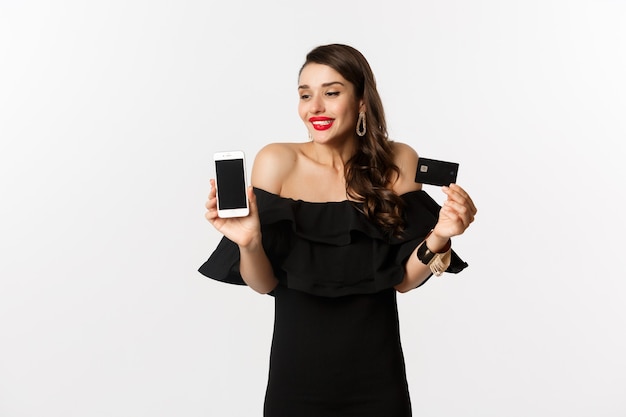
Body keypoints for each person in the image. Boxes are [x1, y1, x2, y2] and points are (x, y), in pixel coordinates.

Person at [199, 43, 477, 417]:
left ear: (362, 101)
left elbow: (402, 280)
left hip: (377, 379)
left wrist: (441, 234)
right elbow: (265, 283)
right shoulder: (277, 161)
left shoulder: (399, 162)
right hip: (295, 379)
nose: (315, 107)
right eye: (304, 95)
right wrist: (249, 242)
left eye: (331, 93)